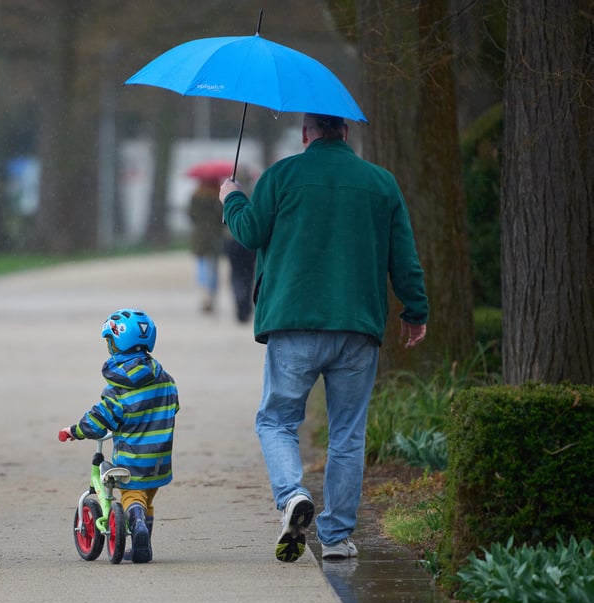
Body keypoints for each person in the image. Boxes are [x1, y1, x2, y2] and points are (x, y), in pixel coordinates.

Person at [219, 113, 428, 563]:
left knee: (276, 420)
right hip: (357, 326)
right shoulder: (381, 183)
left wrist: (232, 198)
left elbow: (249, 232)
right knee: (348, 434)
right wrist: (415, 311)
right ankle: (335, 537)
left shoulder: (282, 176)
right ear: (346, 133)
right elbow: (403, 255)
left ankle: (293, 495)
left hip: (294, 322)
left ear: (305, 134)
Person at [58, 308, 179, 563]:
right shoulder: (166, 380)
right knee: (147, 498)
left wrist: (75, 431)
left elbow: (98, 420)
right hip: (159, 461)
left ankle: (136, 524)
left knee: (132, 497)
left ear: (117, 344)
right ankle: (141, 547)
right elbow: (174, 406)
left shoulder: (118, 390)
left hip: (132, 458)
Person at [188, 179, 225, 313]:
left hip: (200, 235)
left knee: (202, 264)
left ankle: (204, 293)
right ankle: (212, 292)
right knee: (213, 266)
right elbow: (222, 216)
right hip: (215, 234)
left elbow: (191, 215)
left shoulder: (196, 196)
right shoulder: (218, 196)